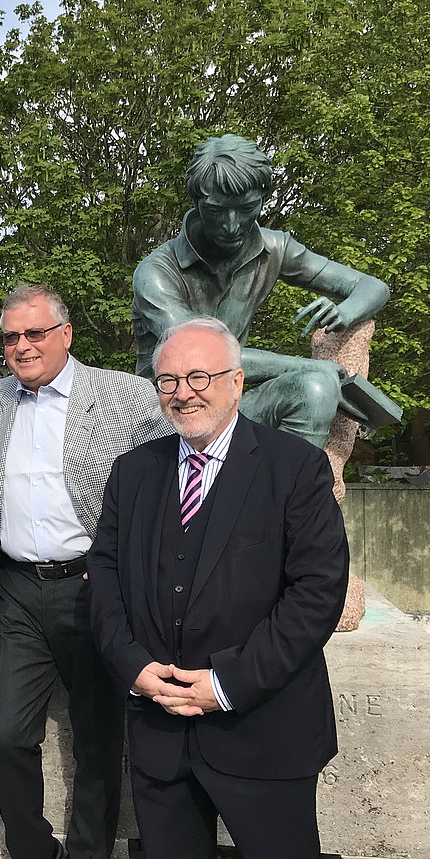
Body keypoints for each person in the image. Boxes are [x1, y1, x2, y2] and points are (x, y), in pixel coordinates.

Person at [88, 317, 349, 859]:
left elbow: (317, 593)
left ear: (238, 382)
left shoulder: (295, 467)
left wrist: (226, 683)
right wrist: (132, 666)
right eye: (169, 380)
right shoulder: (132, 473)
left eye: (199, 377)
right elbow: (105, 580)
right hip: (159, 733)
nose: (183, 393)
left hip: (264, 733)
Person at [0, 284, 170, 859]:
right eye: (11, 337)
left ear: (66, 335)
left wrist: (127, 570)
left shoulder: (125, 394)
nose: (22, 346)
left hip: (91, 588)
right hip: (19, 591)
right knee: (4, 735)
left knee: (98, 740)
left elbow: (165, 481)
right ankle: (34, 849)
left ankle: (88, 852)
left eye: (35, 333)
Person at [132, 133, 390, 447]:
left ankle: (297, 494)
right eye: (216, 211)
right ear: (197, 202)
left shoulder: (275, 247)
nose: (231, 225)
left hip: (230, 410)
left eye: (246, 209)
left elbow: (373, 286)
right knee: (317, 375)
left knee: (315, 388)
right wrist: (314, 365)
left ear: (262, 199)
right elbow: (201, 358)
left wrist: (344, 312)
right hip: (169, 420)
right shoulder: (156, 273)